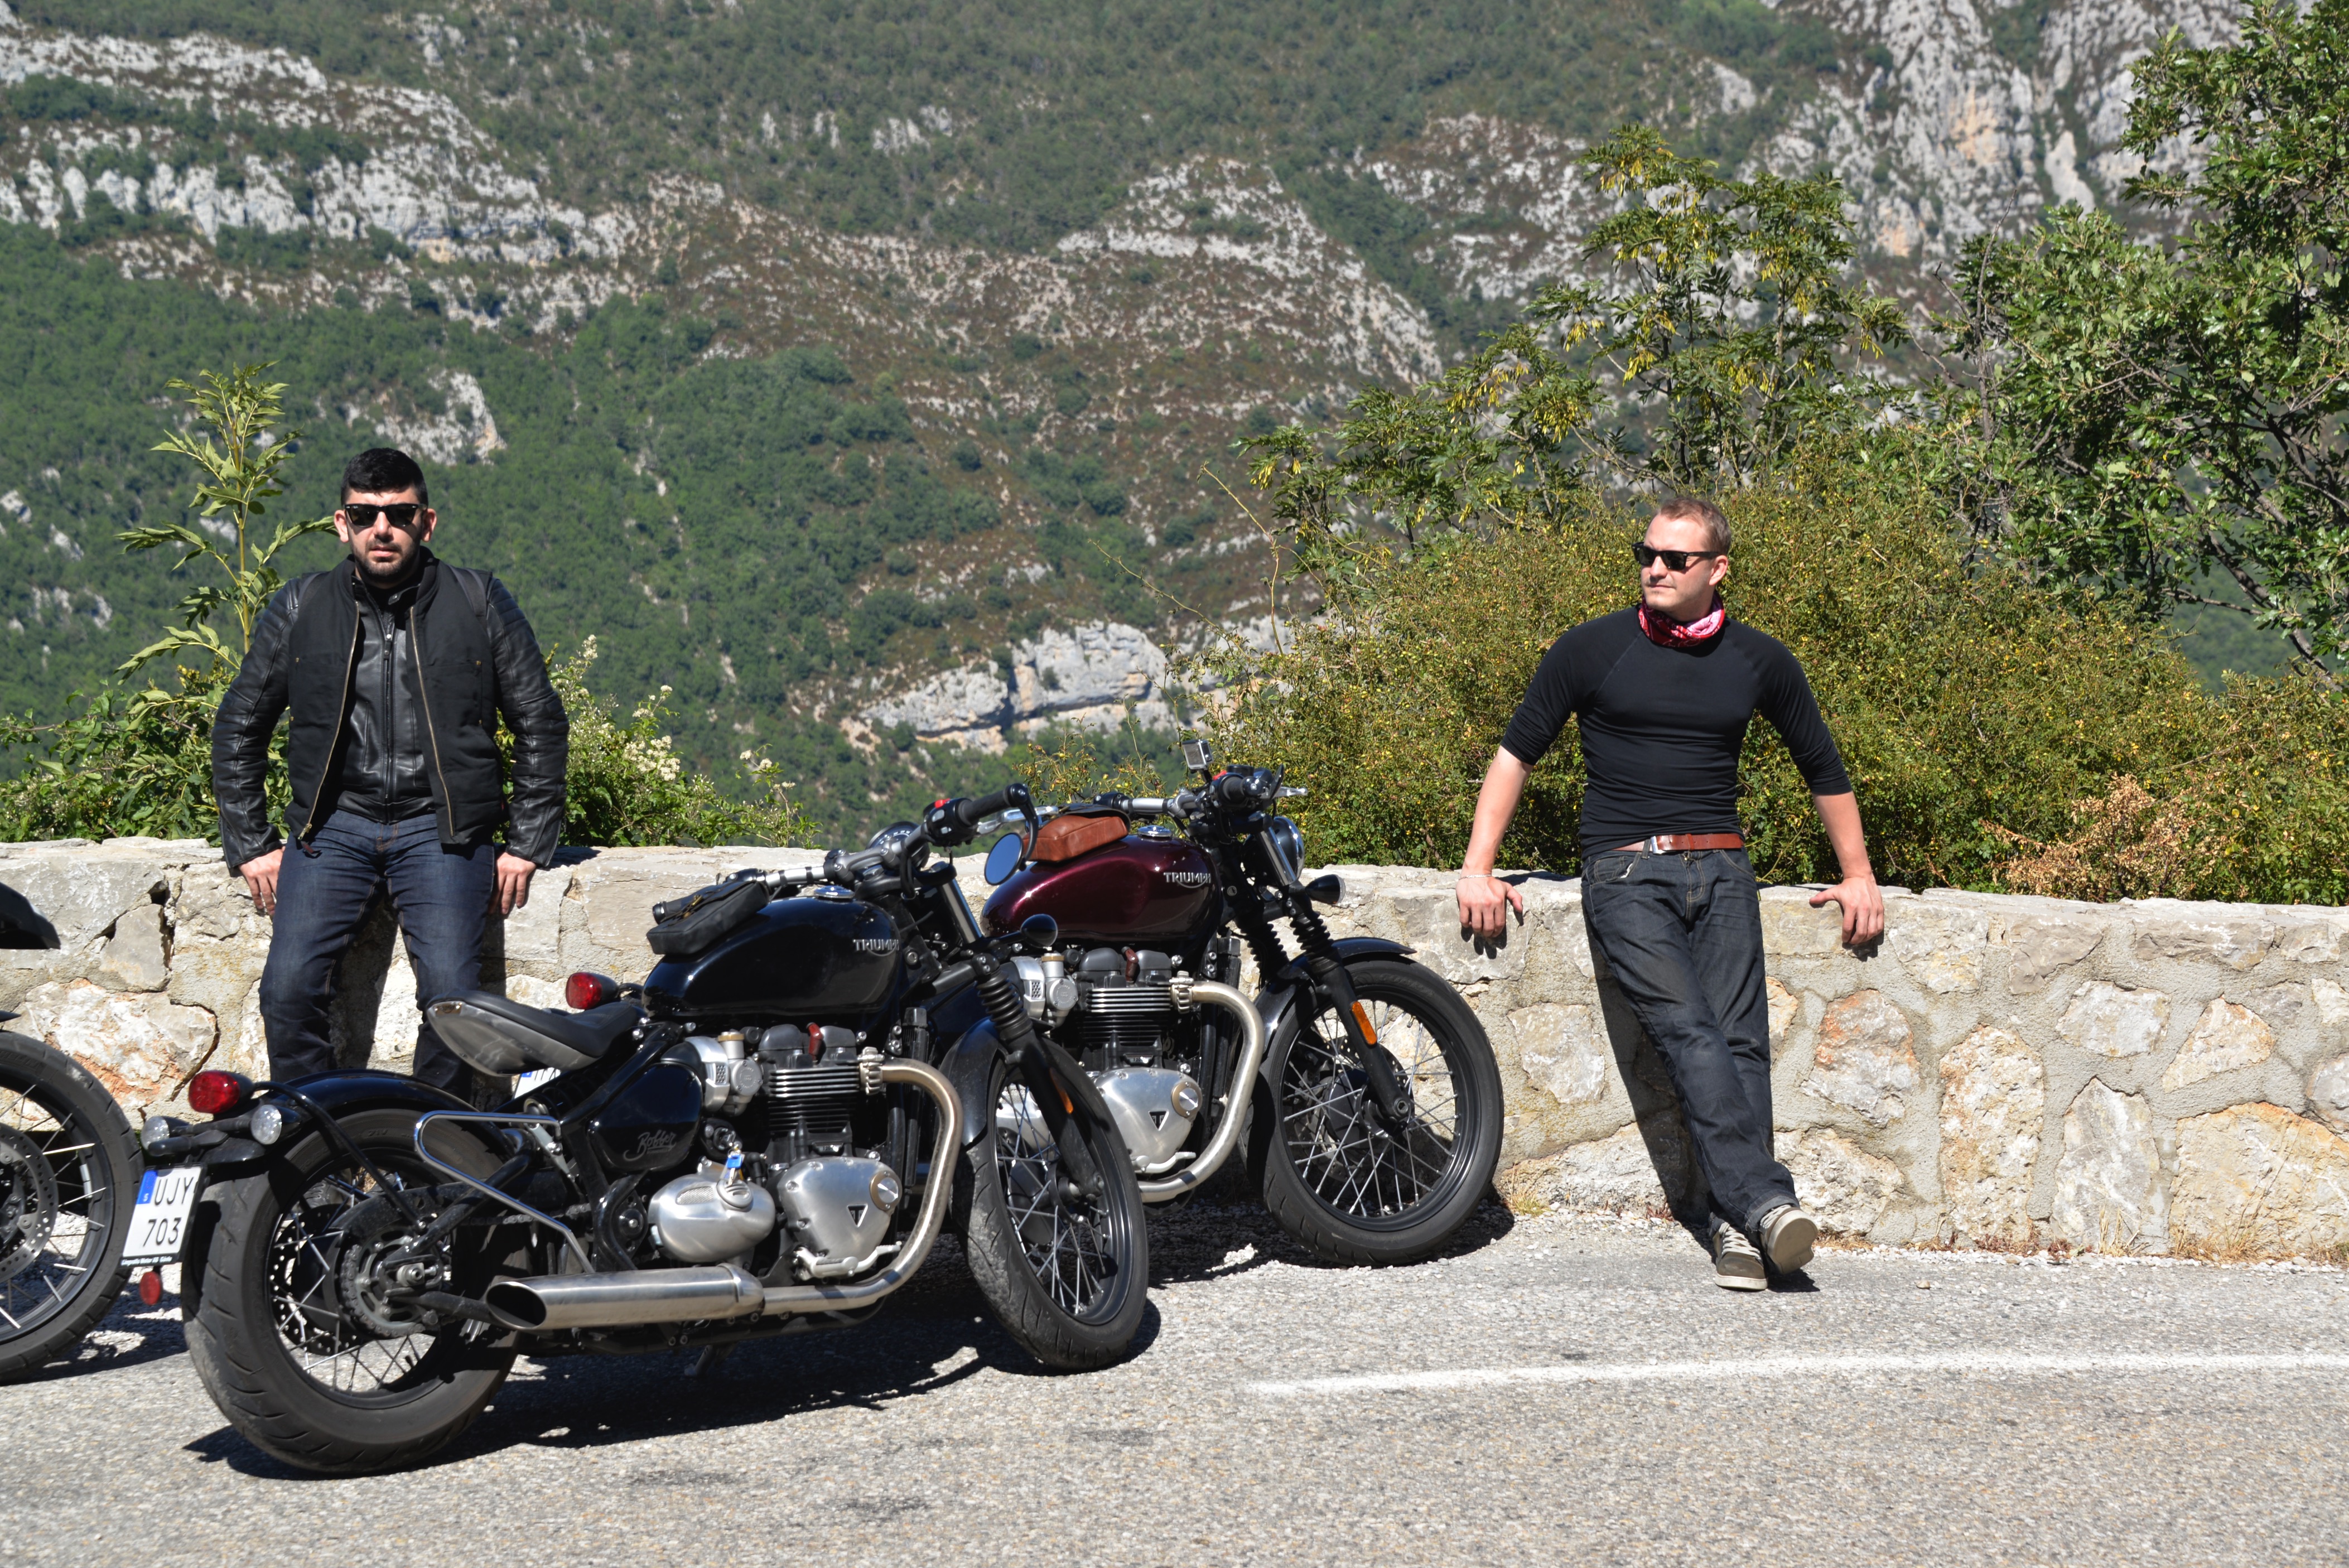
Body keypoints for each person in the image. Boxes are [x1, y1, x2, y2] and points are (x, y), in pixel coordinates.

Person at [1454, 495, 1884, 1290]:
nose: (1654, 568)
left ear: (1716, 570)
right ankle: (1766, 1202)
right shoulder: (1590, 648)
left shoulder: (1760, 660)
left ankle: (1736, 1231)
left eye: (1673, 559)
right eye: (1645, 554)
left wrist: (1857, 873)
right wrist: (1478, 866)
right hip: (1624, 871)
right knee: (1688, 1032)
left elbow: (1821, 766)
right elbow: (1516, 754)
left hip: (1723, 870)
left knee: (1740, 1042)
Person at [213, 447, 568, 1099]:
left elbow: (539, 720)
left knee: (453, 1002)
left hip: (442, 830)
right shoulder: (300, 606)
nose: (382, 529)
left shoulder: (479, 601)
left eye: (399, 515)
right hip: (333, 827)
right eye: (364, 515)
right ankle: (317, 1136)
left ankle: (429, 1141)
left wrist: (526, 843)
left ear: (426, 522)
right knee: (287, 990)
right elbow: (240, 723)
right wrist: (251, 843)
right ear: (341, 524)